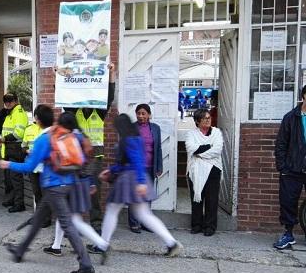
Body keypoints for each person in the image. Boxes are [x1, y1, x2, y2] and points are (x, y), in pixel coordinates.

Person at [0, 107, 96, 273]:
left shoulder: (43, 139)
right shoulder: (66, 134)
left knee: (66, 224)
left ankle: (86, 264)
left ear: (37, 119)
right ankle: (20, 251)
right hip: (70, 183)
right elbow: (83, 154)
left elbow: (29, 167)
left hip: (54, 187)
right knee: (38, 218)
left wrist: (9, 165)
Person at [87, 114, 182, 258]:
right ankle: (171, 243)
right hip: (136, 178)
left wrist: (140, 182)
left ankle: (102, 245)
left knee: (112, 210)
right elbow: (130, 162)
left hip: (129, 180)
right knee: (143, 214)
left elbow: (136, 161)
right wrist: (112, 170)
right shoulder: (136, 138)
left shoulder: (128, 140)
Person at [43, 112, 109, 259]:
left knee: (75, 220)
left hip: (72, 182)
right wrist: (91, 182)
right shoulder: (82, 136)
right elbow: (89, 160)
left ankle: (102, 245)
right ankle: (56, 246)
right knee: (64, 215)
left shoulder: (70, 138)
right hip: (80, 181)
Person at [63, 63, 116, 229]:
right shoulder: (74, 111)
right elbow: (64, 94)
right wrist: (58, 75)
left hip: (95, 156)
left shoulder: (99, 111)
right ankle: (74, 220)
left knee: (94, 189)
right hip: (77, 156)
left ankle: (96, 221)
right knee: (74, 187)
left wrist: (111, 74)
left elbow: (110, 96)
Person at [274, 85, 306, 249]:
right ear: (304, 96)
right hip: (292, 169)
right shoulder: (291, 117)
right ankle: (288, 234)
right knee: (288, 201)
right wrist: (283, 167)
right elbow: (281, 144)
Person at [185, 108, 223, 236]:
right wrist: (208, 147)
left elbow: (217, 150)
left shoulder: (216, 132)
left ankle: (210, 226)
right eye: (204, 118)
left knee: (212, 199)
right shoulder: (191, 134)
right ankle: (196, 225)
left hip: (213, 169)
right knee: (197, 198)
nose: (208, 120)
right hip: (195, 170)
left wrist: (200, 153)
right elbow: (190, 148)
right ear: (197, 121)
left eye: (209, 117)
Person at [128, 104, 163, 233]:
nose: (141, 116)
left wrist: (159, 166)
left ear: (149, 115)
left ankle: (145, 222)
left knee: (147, 196)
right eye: (138, 113)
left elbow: (158, 148)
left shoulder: (155, 128)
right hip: (135, 168)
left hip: (150, 167)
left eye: (143, 113)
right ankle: (134, 223)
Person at [21, 105, 50, 227]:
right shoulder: (28, 129)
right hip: (33, 166)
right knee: (36, 192)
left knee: (45, 193)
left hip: (45, 167)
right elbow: (23, 146)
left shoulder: (49, 130)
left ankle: (47, 218)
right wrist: (27, 151)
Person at [0, 93, 28, 213]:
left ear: (16, 101)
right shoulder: (10, 113)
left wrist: (5, 138)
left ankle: (19, 203)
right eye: (6, 101)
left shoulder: (19, 113)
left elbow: (18, 133)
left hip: (15, 149)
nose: (8, 104)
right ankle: (12, 199)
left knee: (16, 178)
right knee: (9, 178)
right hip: (8, 148)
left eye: (10, 101)